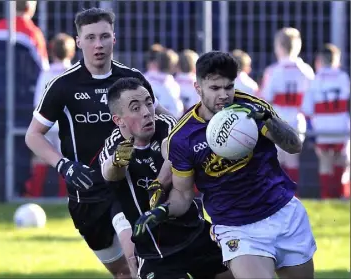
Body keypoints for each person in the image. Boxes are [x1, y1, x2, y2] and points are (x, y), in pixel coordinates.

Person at [134, 51, 317, 279]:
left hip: (283, 213)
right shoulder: (183, 137)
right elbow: (182, 193)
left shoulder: (249, 107)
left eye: (228, 87)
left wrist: (267, 120)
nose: (224, 95)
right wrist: (162, 210)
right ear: (198, 87)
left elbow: (294, 145)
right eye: (215, 88)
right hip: (237, 229)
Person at [25, 7, 168, 279]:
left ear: (114, 38)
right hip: (86, 193)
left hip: (127, 183)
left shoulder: (132, 79)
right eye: (90, 38)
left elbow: (163, 119)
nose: (98, 44)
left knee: (138, 262)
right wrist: (64, 166)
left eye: (104, 36)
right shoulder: (62, 86)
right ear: (78, 42)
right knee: (122, 272)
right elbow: (33, 135)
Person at [99, 77, 232, 279]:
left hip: (194, 233)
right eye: (135, 108)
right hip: (155, 249)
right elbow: (109, 172)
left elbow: (174, 151)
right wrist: (118, 161)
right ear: (119, 120)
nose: (146, 112)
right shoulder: (113, 145)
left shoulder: (167, 125)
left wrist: (159, 181)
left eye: (149, 103)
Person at [0, 0, 49, 200]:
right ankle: (10, 193)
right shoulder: (32, 33)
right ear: (30, 7)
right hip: (20, 102)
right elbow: (43, 73)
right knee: (18, 149)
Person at [259, 27, 314, 185]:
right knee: (292, 161)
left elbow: (265, 98)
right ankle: (293, 196)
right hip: (297, 119)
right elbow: (310, 101)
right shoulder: (306, 70)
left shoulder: (273, 71)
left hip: (277, 119)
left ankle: (278, 196)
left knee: (275, 160)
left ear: (279, 47)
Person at [25, 32, 76, 198]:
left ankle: (35, 196)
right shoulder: (75, 73)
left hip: (46, 126)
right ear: (72, 52)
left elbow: (37, 103)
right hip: (67, 127)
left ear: (52, 52)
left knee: (40, 160)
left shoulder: (46, 74)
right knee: (66, 161)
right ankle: (67, 197)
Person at [302, 43, 350, 199]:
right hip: (340, 127)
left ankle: (327, 196)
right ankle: (340, 195)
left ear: (319, 60)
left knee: (325, 161)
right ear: (336, 60)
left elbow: (307, 109)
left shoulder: (316, 80)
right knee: (340, 160)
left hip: (322, 127)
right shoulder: (343, 77)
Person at [144, 45, 184, 118]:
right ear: (172, 66)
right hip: (170, 121)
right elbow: (178, 110)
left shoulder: (144, 78)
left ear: (157, 63)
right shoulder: (174, 85)